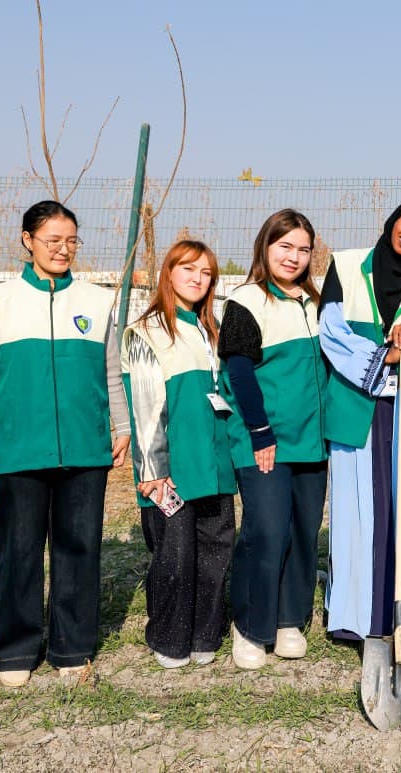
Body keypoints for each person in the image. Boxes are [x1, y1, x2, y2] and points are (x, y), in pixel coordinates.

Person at [0, 200, 131, 687]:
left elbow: (111, 373)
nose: (63, 249)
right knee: (18, 549)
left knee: (79, 548)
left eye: (71, 240)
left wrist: (120, 427)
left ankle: (71, 647)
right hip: (17, 449)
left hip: (85, 447)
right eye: (52, 240)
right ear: (28, 240)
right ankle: (16, 650)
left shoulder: (97, 301)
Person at [319, 198, 401, 642]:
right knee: (356, 511)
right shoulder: (347, 265)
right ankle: (354, 618)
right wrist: (385, 356)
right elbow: (331, 332)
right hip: (357, 403)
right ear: (391, 221)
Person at [218, 210, 330, 668]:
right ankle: (250, 625)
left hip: (312, 439)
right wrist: (261, 430)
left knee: (303, 531)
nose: (294, 257)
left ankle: (289, 618)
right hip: (265, 438)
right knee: (266, 530)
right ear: (266, 246)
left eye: (303, 249)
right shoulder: (247, 300)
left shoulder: (317, 302)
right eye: (285, 246)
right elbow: (239, 371)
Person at [123, 239, 241, 669]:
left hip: (214, 465)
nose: (197, 278)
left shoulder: (213, 329)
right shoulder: (145, 332)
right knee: (174, 555)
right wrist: (153, 470)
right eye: (188, 269)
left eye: (206, 272)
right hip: (171, 471)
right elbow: (145, 406)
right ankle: (170, 638)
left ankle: (205, 634)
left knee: (215, 549)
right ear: (168, 273)